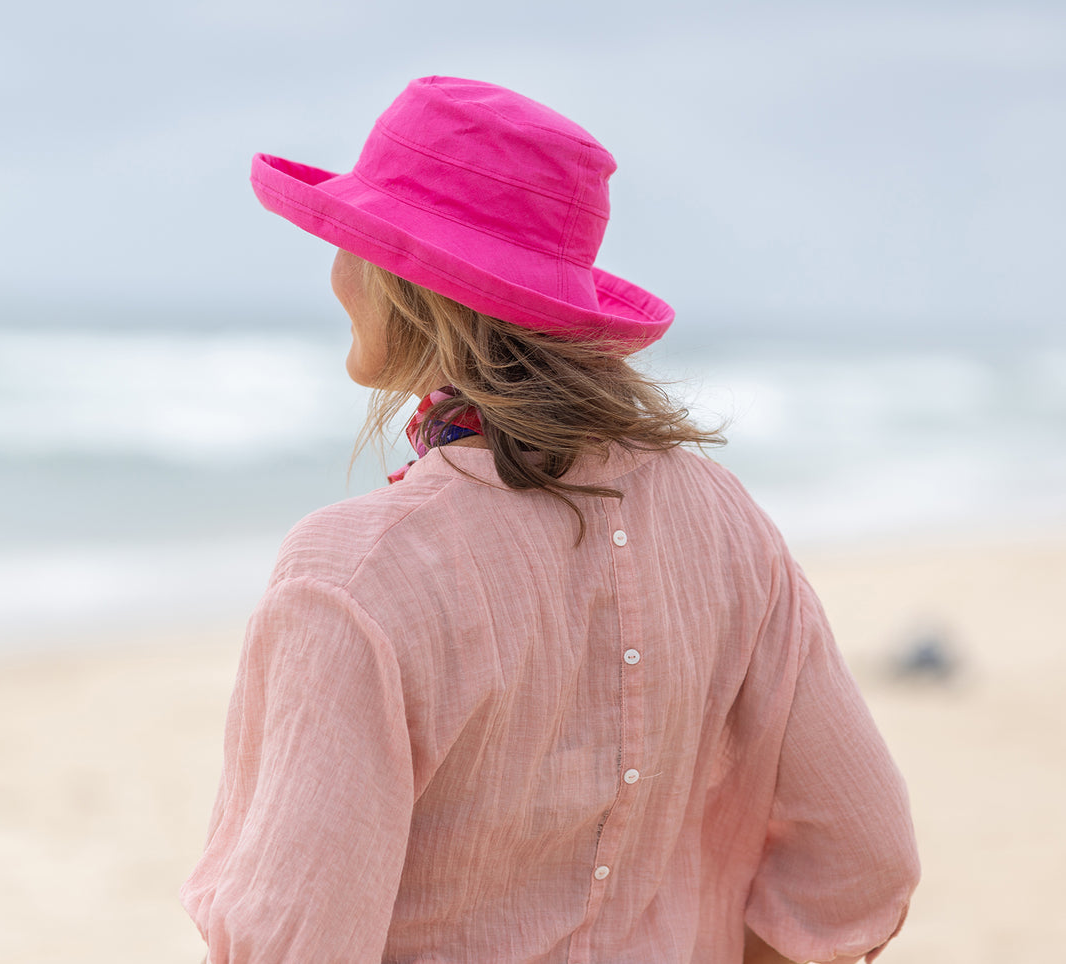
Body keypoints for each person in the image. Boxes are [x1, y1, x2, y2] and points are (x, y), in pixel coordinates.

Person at [181, 76, 919, 964]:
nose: (335, 272)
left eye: (347, 241)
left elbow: (294, 940)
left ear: (403, 280)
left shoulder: (357, 571)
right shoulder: (720, 518)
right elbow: (864, 858)